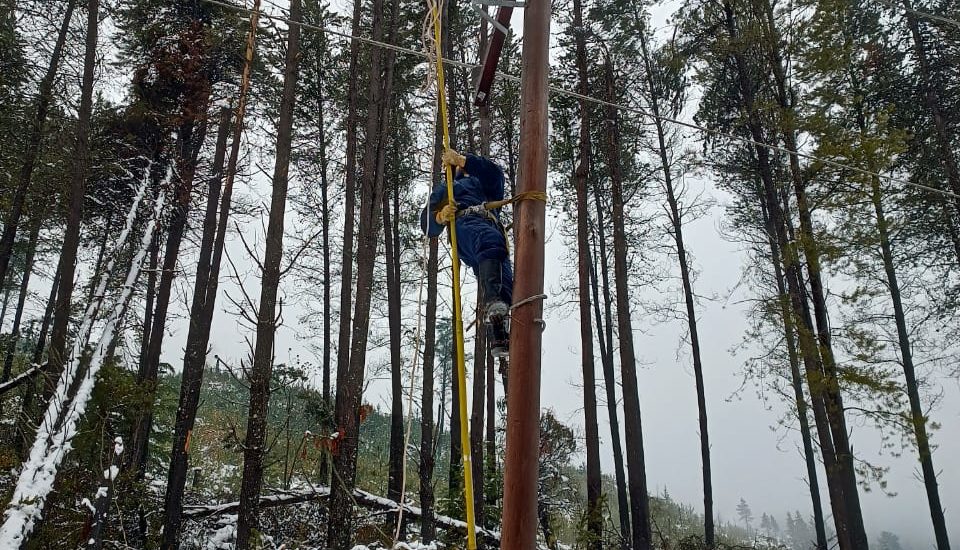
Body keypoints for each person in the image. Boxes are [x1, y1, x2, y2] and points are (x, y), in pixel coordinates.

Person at [421, 148, 513, 358]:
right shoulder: (448, 189)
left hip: (492, 235)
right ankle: (493, 305)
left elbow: (495, 175)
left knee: (506, 285)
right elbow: (426, 223)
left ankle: (500, 332)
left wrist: (465, 160)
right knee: (488, 242)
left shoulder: (484, 181)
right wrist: (440, 216)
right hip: (466, 226)